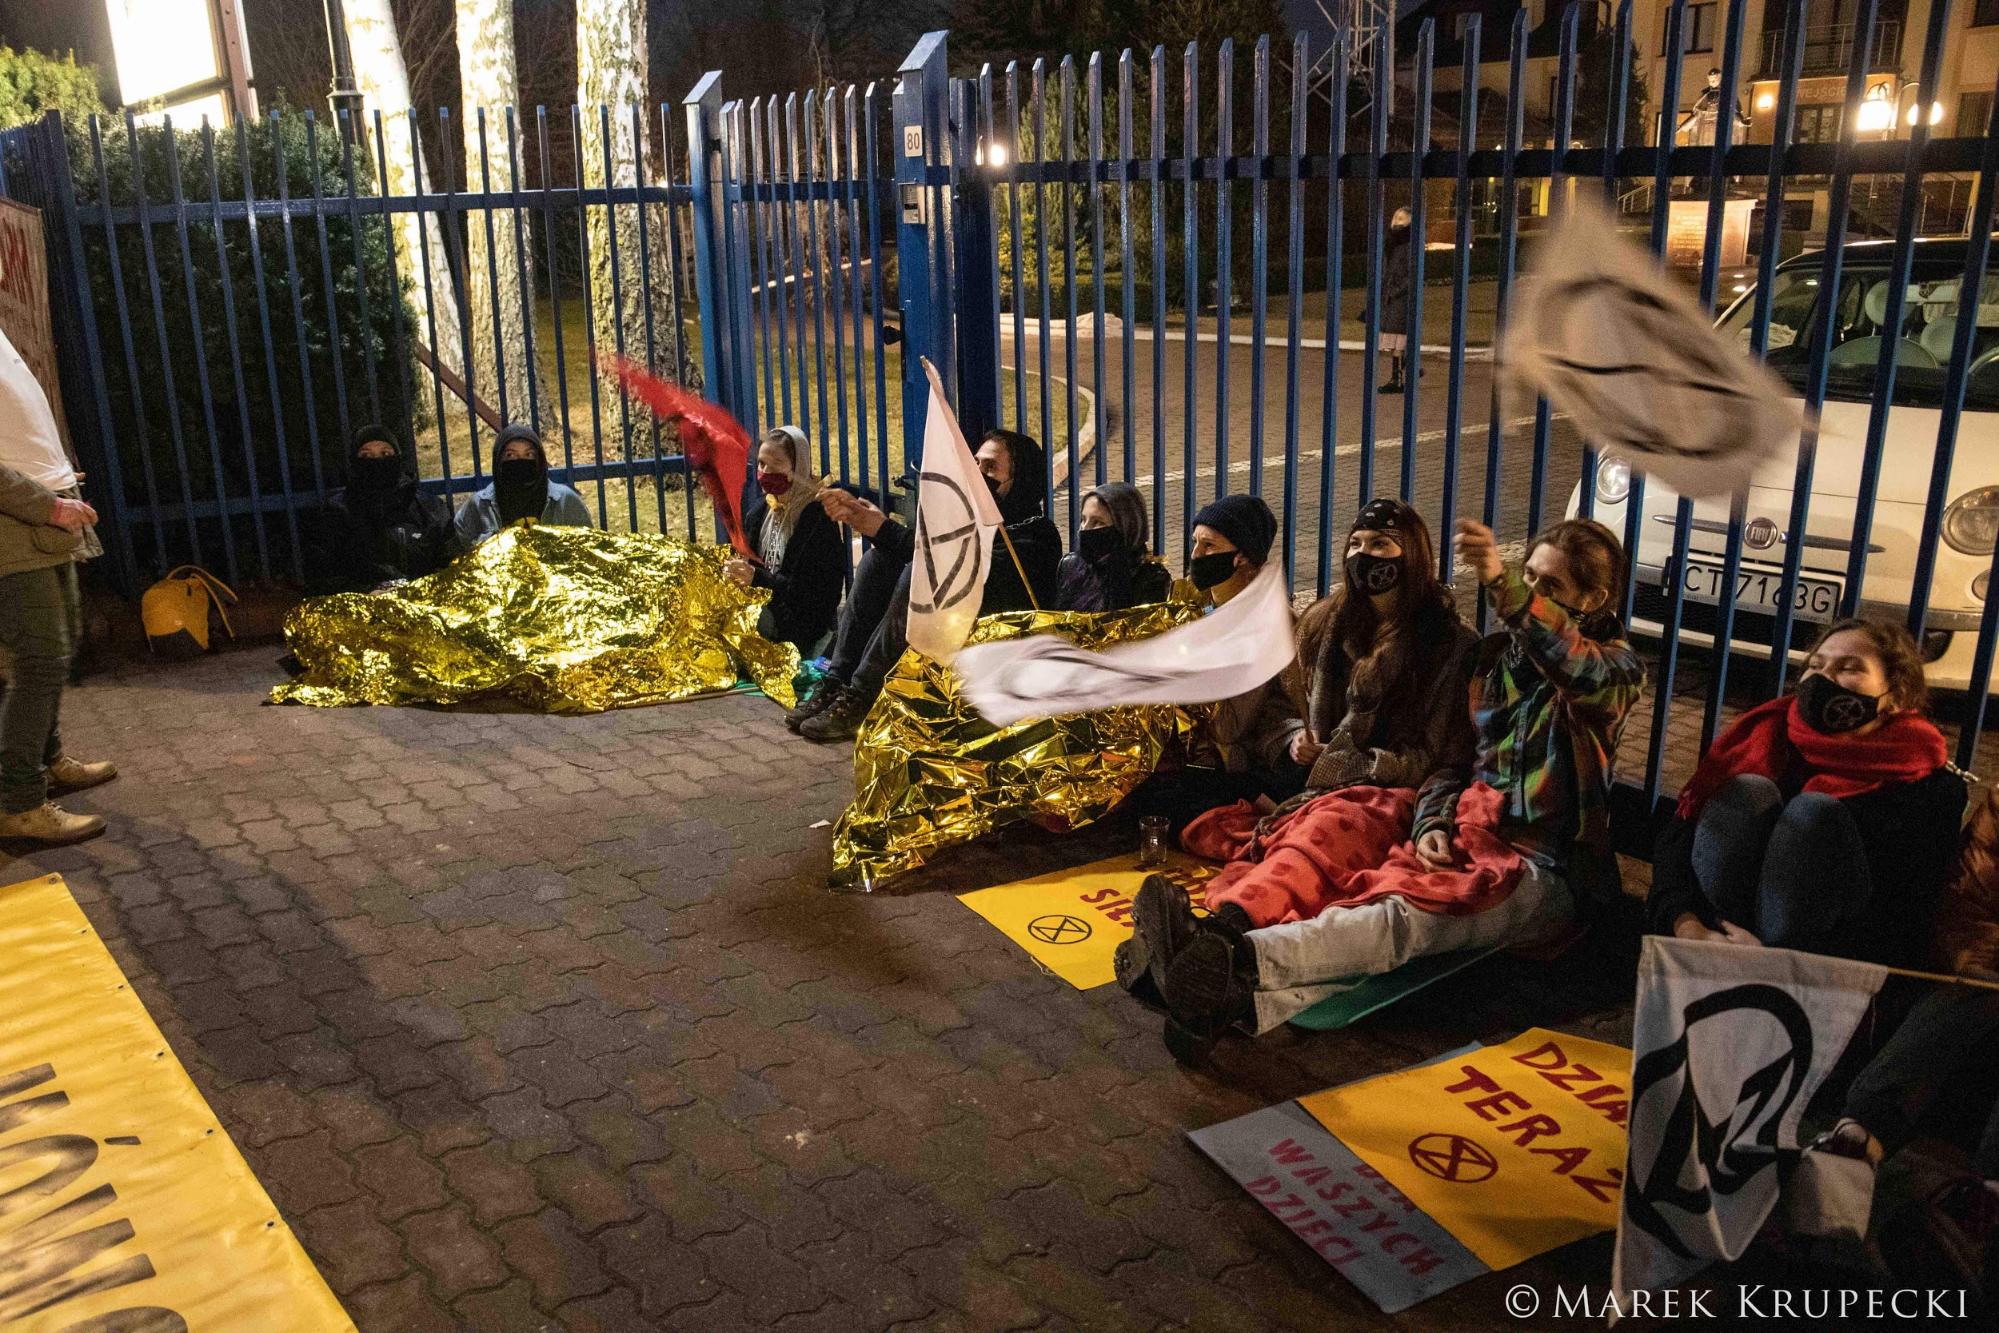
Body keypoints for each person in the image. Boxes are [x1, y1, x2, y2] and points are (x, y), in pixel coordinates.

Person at [1130, 517, 1645, 1062]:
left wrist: (1504, 583)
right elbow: (1453, 765)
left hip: (1545, 869)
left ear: (1595, 599)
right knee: (1370, 903)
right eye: (1530, 579)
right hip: (1468, 839)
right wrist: (1431, 826)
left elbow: (1572, 664)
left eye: (1552, 587)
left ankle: (1227, 954)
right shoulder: (1498, 662)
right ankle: (1224, 1000)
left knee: (1405, 921)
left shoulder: (1614, 675)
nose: (1532, 596)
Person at [1169, 499, 1481, 929]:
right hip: (1314, 780)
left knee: (1319, 836)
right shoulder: (1325, 624)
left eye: (1380, 544)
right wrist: (1297, 737)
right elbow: (1283, 711)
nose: (1362, 555)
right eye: (1355, 542)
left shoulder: (1447, 644)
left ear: (1411, 553)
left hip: (1384, 790)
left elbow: (1439, 755)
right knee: (1182, 798)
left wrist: (1360, 764)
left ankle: (1229, 926)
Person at [1645, 619, 1966, 969]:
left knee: (1812, 815)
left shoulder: (1925, 785)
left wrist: (1778, 960)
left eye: (1848, 668)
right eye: (1815, 666)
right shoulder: (1766, 739)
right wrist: (1688, 926)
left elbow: (1904, 912)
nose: (1823, 678)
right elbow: (1677, 845)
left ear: (1896, 695)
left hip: (1826, 969)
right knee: (1748, 790)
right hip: (1720, 945)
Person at [790, 428, 1061, 743]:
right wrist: (870, 523)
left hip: (991, 644)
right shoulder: (968, 520)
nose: (976, 475)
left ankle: (862, 695)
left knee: (917, 576)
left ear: (1021, 481)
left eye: (989, 468)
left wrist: (881, 528)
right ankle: (837, 681)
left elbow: (958, 567)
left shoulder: (1036, 535)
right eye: (973, 465)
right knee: (877, 564)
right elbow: (924, 547)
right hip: (949, 627)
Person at [1127, 495, 1307, 833]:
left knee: (1156, 805)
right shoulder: (1207, 605)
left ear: (1241, 558)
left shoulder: (1264, 622)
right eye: (1195, 543)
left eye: (1209, 546)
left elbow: (1227, 726)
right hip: (1215, 756)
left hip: (1251, 763)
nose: (1195, 555)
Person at [0, 327, 116, 845]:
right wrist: (47, 504)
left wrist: (57, 476)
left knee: (57, 648)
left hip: (42, 507)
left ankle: (47, 762)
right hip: (17, 524)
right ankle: (19, 801)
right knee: (40, 659)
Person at [726, 425, 842, 654]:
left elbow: (814, 595)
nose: (765, 472)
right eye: (761, 463)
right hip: (765, 605)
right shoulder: (761, 511)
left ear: (798, 467)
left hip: (800, 623)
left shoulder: (817, 519)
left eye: (776, 464)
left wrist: (758, 579)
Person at [302, 424, 454, 594]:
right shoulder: (336, 512)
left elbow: (451, 563)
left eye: (385, 453)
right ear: (355, 462)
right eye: (366, 455)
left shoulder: (429, 508)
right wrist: (365, 593)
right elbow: (321, 575)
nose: (376, 461)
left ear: (397, 458)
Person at [452, 424, 592, 551]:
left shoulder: (566, 502)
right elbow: (461, 557)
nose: (520, 461)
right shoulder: (479, 506)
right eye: (510, 455)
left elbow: (588, 550)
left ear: (540, 460)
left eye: (529, 454)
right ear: (498, 460)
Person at [1055, 482, 1170, 613]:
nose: (1085, 529)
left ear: (1126, 527)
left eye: (1098, 522)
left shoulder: (1151, 580)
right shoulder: (1071, 566)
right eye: (1083, 519)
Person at [1377, 207, 1416, 395]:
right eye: (1396, 217)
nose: (1397, 221)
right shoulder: (1392, 240)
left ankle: (1398, 378)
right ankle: (1403, 374)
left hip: (1401, 296)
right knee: (1396, 339)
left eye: (1402, 218)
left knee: (1398, 338)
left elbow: (1410, 273)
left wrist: (1395, 290)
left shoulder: (1408, 243)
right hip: (1391, 295)